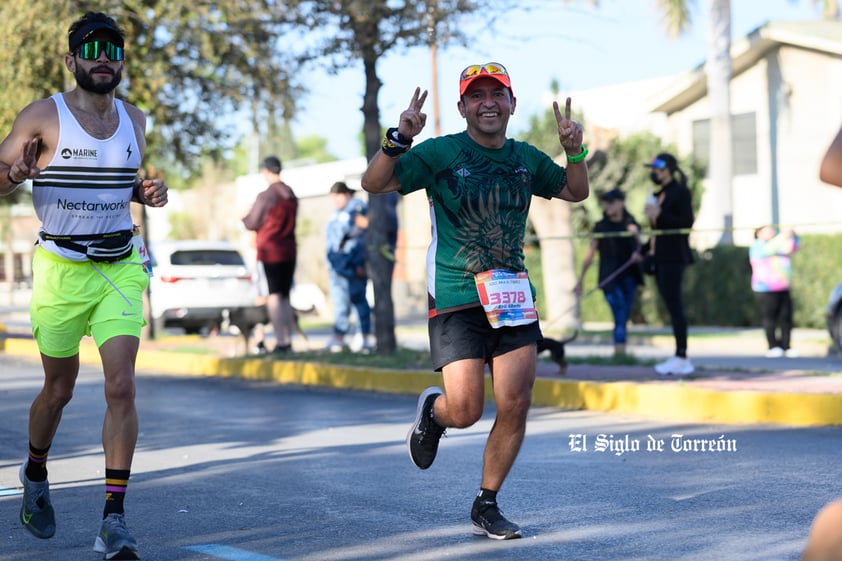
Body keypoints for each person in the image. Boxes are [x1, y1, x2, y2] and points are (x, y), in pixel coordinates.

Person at [360, 62, 589, 539]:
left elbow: (574, 190)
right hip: (457, 293)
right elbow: (375, 182)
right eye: (477, 95)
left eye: (497, 94)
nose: (488, 102)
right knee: (465, 409)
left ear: (511, 105)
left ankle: (487, 503)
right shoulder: (443, 152)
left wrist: (575, 152)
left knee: (516, 402)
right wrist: (398, 138)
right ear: (463, 107)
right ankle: (435, 414)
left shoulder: (525, 158)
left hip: (512, 295)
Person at [0, 11, 168, 560]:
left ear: (121, 61)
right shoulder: (42, 116)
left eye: (112, 50)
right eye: (91, 49)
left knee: (121, 387)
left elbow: (119, 184)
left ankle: (113, 520)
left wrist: (144, 193)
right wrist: (16, 176)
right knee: (60, 389)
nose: (103, 58)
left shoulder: (135, 120)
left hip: (119, 265)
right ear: (72, 60)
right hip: (60, 269)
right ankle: (35, 469)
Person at [642, 153, 695, 376]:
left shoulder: (680, 192)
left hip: (674, 256)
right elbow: (657, 233)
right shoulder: (659, 194)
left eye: (658, 168)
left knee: (675, 307)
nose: (655, 173)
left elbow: (686, 222)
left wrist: (660, 213)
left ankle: (682, 356)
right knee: (670, 305)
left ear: (669, 169)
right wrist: (642, 251)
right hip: (660, 256)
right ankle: (678, 355)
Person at [574, 189, 643, 355]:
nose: (607, 205)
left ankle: (620, 352)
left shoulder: (631, 223)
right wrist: (580, 280)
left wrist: (637, 237)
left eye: (611, 201)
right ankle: (620, 351)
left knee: (624, 314)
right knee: (619, 312)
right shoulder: (601, 226)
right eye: (605, 201)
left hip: (630, 276)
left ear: (622, 203)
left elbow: (643, 251)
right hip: (609, 279)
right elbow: (590, 254)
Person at [242, 155, 299, 354]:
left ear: (266, 171)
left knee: (273, 295)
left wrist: (245, 214)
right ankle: (288, 339)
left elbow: (252, 222)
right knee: (285, 295)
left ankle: (281, 341)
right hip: (289, 248)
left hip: (270, 250)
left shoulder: (267, 195)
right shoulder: (290, 193)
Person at [325, 181, 373, 353]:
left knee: (358, 300)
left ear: (345, 194)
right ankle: (339, 337)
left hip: (353, 266)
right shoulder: (338, 212)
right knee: (340, 303)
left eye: (337, 196)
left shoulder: (357, 209)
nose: (335, 200)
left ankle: (364, 336)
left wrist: (360, 262)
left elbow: (362, 238)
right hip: (338, 267)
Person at [749, 225, 800, 358]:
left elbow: (793, 247)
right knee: (770, 318)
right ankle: (772, 346)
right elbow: (769, 249)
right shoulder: (757, 246)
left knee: (786, 318)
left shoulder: (780, 244)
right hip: (766, 288)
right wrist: (783, 236)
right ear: (758, 233)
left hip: (783, 287)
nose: (771, 232)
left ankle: (786, 346)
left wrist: (793, 235)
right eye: (767, 230)